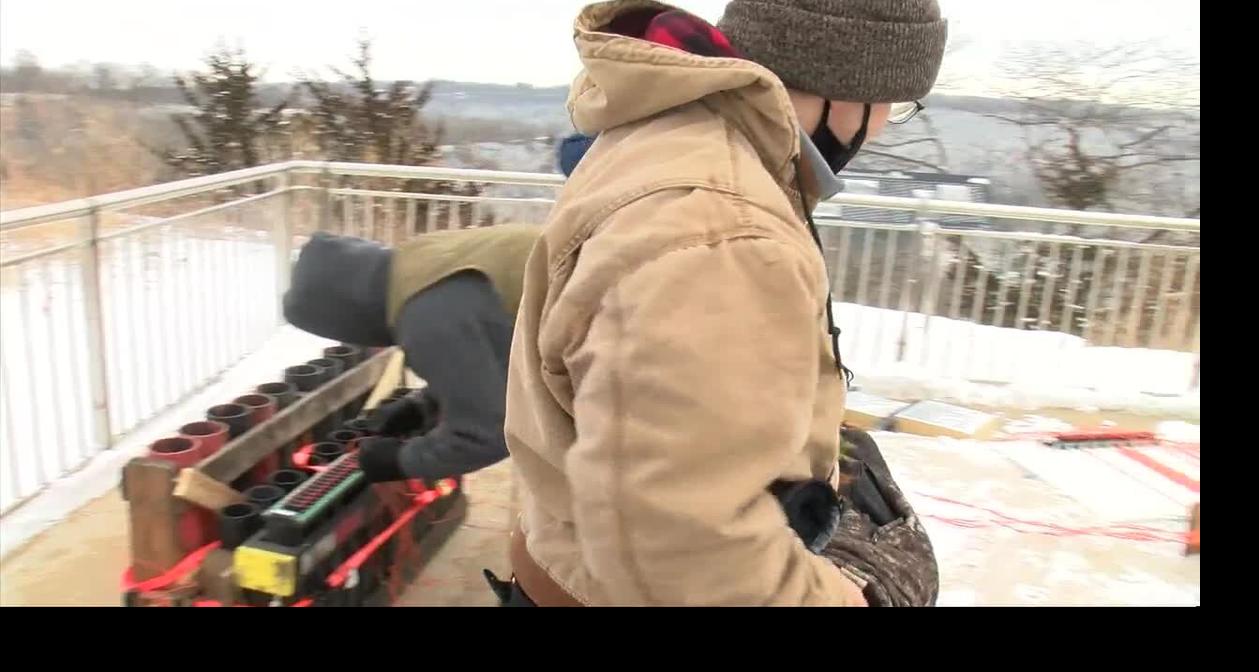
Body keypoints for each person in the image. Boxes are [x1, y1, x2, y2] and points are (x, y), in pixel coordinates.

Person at [497, 0, 947, 606]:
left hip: (565, 553)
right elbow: (686, 550)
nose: (884, 126)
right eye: (894, 106)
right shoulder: (722, 231)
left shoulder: (668, 134)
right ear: (850, 90)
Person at [282, 224, 539, 483]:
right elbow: (492, 347)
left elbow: (490, 435)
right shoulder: (417, 262)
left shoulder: (423, 319)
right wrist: (423, 405)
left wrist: (399, 461)